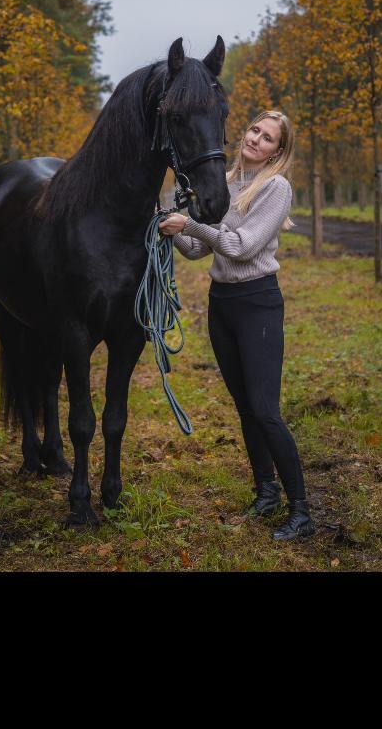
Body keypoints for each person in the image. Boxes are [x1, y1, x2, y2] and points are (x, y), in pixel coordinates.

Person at [159, 109, 315, 542]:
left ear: (277, 151)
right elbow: (195, 249)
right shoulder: (225, 183)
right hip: (222, 303)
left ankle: (301, 510)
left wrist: (191, 223)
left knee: (265, 409)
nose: (256, 140)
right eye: (254, 130)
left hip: (257, 303)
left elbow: (242, 248)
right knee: (246, 407)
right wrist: (173, 215)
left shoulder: (276, 188)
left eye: (267, 138)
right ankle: (266, 493)